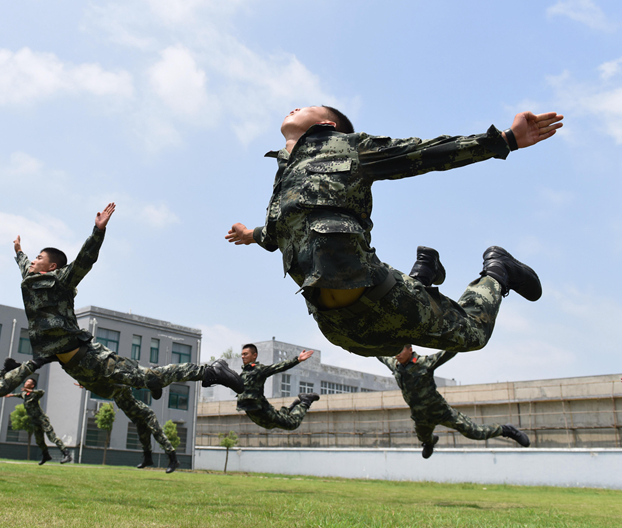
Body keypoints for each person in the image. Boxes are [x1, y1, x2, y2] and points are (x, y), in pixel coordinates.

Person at [226, 106, 563, 357]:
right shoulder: (284, 177)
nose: (295, 107)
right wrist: (249, 234)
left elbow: (423, 153)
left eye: (307, 106)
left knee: (472, 334)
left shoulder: (347, 146)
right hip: (339, 327)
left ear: (327, 123)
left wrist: (505, 140)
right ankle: (424, 274)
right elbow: (274, 235)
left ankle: (497, 270)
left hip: (379, 294)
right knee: (389, 346)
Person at [13, 202, 244, 400]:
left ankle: (210, 371)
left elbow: (85, 260)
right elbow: (25, 265)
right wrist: (19, 251)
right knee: (106, 389)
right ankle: (154, 381)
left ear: (52, 266)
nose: (33, 261)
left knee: (143, 377)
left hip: (84, 354)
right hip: (71, 363)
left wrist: (97, 231)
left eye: (38, 257)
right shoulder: (30, 280)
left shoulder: (60, 280)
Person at [378, 345, 530, 458]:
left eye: (400, 350)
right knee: (424, 440)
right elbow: (378, 353)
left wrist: (460, 336)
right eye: (395, 351)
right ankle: (430, 442)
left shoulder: (425, 363)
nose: (397, 354)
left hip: (441, 412)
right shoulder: (395, 365)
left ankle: (507, 430)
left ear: (410, 349)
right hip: (420, 417)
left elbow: (449, 351)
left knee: (474, 432)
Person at [237, 343, 319, 431]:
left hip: (263, 411)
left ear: (254, 355)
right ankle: (292, 406)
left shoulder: (259, 370)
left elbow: (278, 367)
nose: (242, 356)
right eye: (242, 354)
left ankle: (305, 401)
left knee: (292, 424)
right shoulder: (243, 374)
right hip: (255, 415)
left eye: (245, 354)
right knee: (271, 424)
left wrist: (297, 360)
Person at [5, 379, 72, 465]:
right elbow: (19, 395)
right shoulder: (24, 394)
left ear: (32, 385)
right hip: (35, 421)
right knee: (39, 440)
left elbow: (42, 392)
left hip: (42, 420)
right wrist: (10, 395)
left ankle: (67, 454)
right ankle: (46, 455)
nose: (26, 382)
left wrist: (31, 391)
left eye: (28, 382)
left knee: (52, 437)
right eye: (26, 381)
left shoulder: (35, 394)